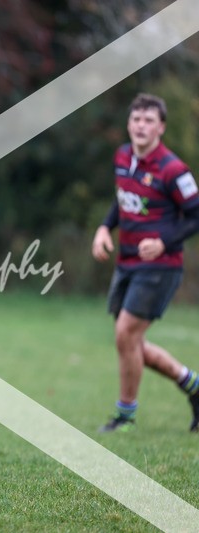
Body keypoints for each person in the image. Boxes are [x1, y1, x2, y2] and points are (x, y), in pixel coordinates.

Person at [91, 93, 199, 433]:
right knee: (130, 343)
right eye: (136, 118)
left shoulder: (173, 169)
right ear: (129, 124)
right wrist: (105, 227)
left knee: (125, 335)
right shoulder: (123, 156)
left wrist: (164, 241)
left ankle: (125, 416)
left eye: (149, 120)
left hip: (160, 266)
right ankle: (193, 386)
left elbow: (196, 215)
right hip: (127, 263)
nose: (141, 125)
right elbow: (122, 199)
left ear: (161, 127)